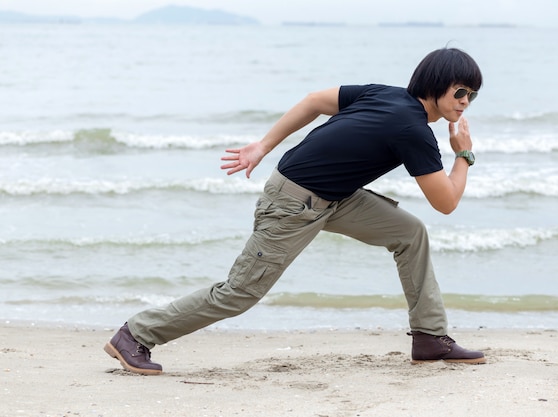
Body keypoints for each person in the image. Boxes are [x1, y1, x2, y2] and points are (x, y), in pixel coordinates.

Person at [104, 47, 485, 375]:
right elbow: (447, 202)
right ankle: (136, 334)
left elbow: (315, 100)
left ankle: (430, 338)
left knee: (409, 233)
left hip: (335, 197)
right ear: (433, 85)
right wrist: (463, 154)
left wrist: (265, 146)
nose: (466, 101)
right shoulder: (412, 129)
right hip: (294, 203)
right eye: (461, 91)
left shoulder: (384, 95)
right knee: (239, 293)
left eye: (473, 95)